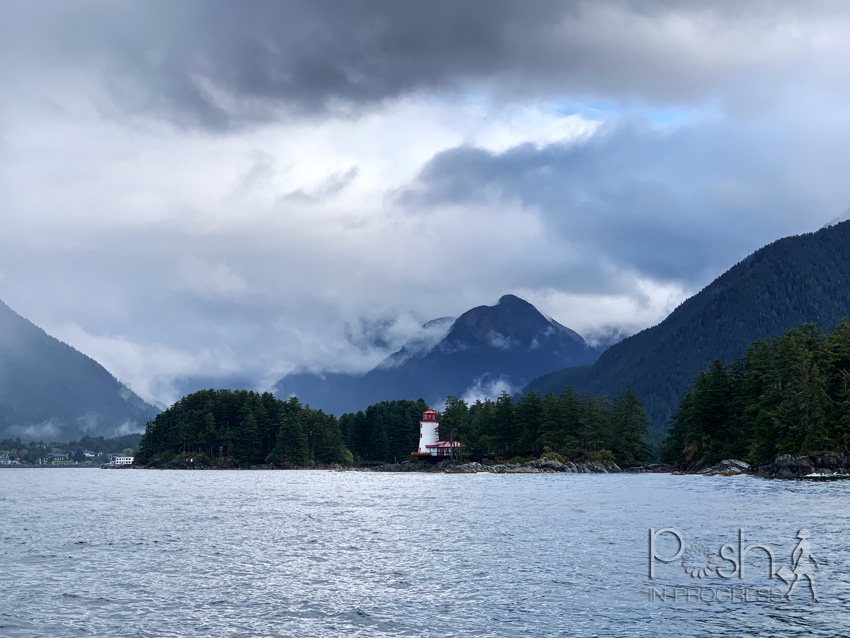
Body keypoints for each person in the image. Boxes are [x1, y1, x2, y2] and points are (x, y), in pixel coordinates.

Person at [786, 529, 819, 602]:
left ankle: (789, 593)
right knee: (806, 580)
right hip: (802, 563)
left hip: (805, 562)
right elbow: (795, 553)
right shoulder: (802, 543)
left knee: (802, 580)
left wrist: (814, 560)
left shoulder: (806, 543)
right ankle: (815, 597)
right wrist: (793, 563)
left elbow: (808, 553)